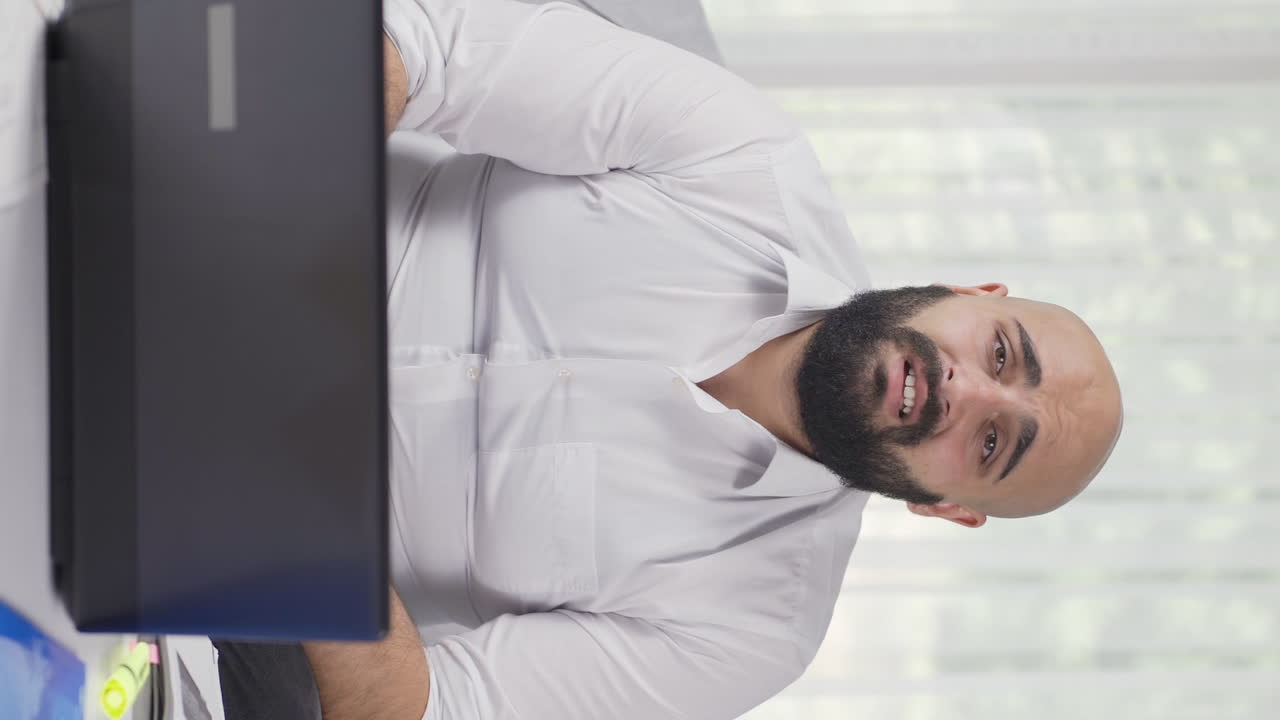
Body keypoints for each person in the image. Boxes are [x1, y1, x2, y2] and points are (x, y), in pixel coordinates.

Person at [217, 1, 1123, 718]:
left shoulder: (753, 629)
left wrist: (285, 503)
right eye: (1003, 353)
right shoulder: (747, 159)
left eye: (995, 443)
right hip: (212, 201)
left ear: (949, 507)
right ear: (979, 295)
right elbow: (436, 51)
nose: (965, 390)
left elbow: (430, 710)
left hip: (220, 524)